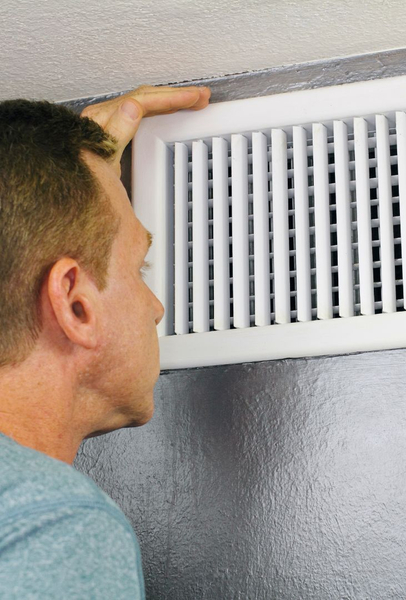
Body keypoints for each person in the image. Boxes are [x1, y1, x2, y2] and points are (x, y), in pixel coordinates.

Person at [0, 85, 211, 598]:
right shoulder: (50, 522)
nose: (156, 307)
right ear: (75, 305)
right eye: (139, 267)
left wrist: (75, 189)